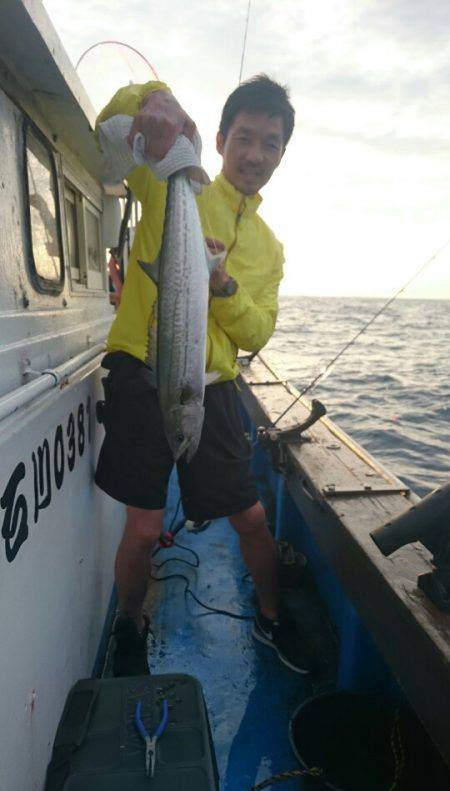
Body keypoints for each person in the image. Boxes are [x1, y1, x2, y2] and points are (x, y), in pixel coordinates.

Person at [95, 74, 309, 676]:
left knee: (252, 518)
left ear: (281, 154)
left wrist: (224, 288)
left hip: (208, 385)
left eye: (270, 143)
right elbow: (113, 120)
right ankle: (129, 623)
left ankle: (270, 616)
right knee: (141, 530)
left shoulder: (268, 248)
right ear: (217, 141)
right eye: (244, 138)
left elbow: (257, 332)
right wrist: (154, 97)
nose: (255, 154)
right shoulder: (170, 184)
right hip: (143, 372)